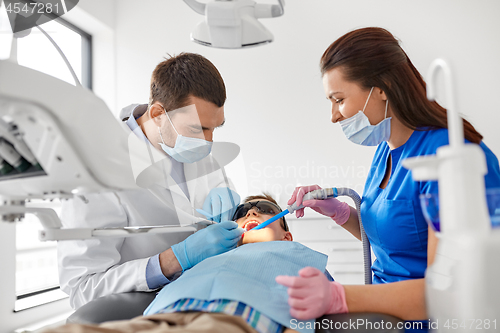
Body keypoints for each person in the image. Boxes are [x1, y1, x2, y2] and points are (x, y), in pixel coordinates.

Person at [277, 27, 500, 322]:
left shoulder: (447, 156)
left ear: (381, 88)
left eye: (339, 99)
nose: (333, 116)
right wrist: (340, 213)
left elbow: (447, 292)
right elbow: (398, 238)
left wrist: (338, 296)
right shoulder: (386, 152)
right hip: (385, 315)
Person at [58, 53, 242, 309]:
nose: (208, 142)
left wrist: (229, 196)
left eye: (215, 128)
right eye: (197, 129)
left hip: (203, 299)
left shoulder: (192, 147)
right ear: (157, 113)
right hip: (143, 314)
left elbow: (217, 188)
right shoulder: (96, 169)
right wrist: (171, 261)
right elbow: (82, 288)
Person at [47, 194, 334, 333]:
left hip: (227, 323)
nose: (253, 211)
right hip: (158, 319)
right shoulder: (203, 256)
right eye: (243, 210)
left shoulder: (299, 256)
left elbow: (315, 315)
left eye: (267, 210)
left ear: (287, 236)